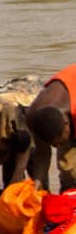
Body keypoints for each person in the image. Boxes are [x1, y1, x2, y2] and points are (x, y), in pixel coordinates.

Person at [28, 64, 76, 192]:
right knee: (69, 173)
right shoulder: (34, 117)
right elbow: (42, 154)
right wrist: (37, 184)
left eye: (58, 142)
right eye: (52, 143)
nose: (55, 147)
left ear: (67, 124)